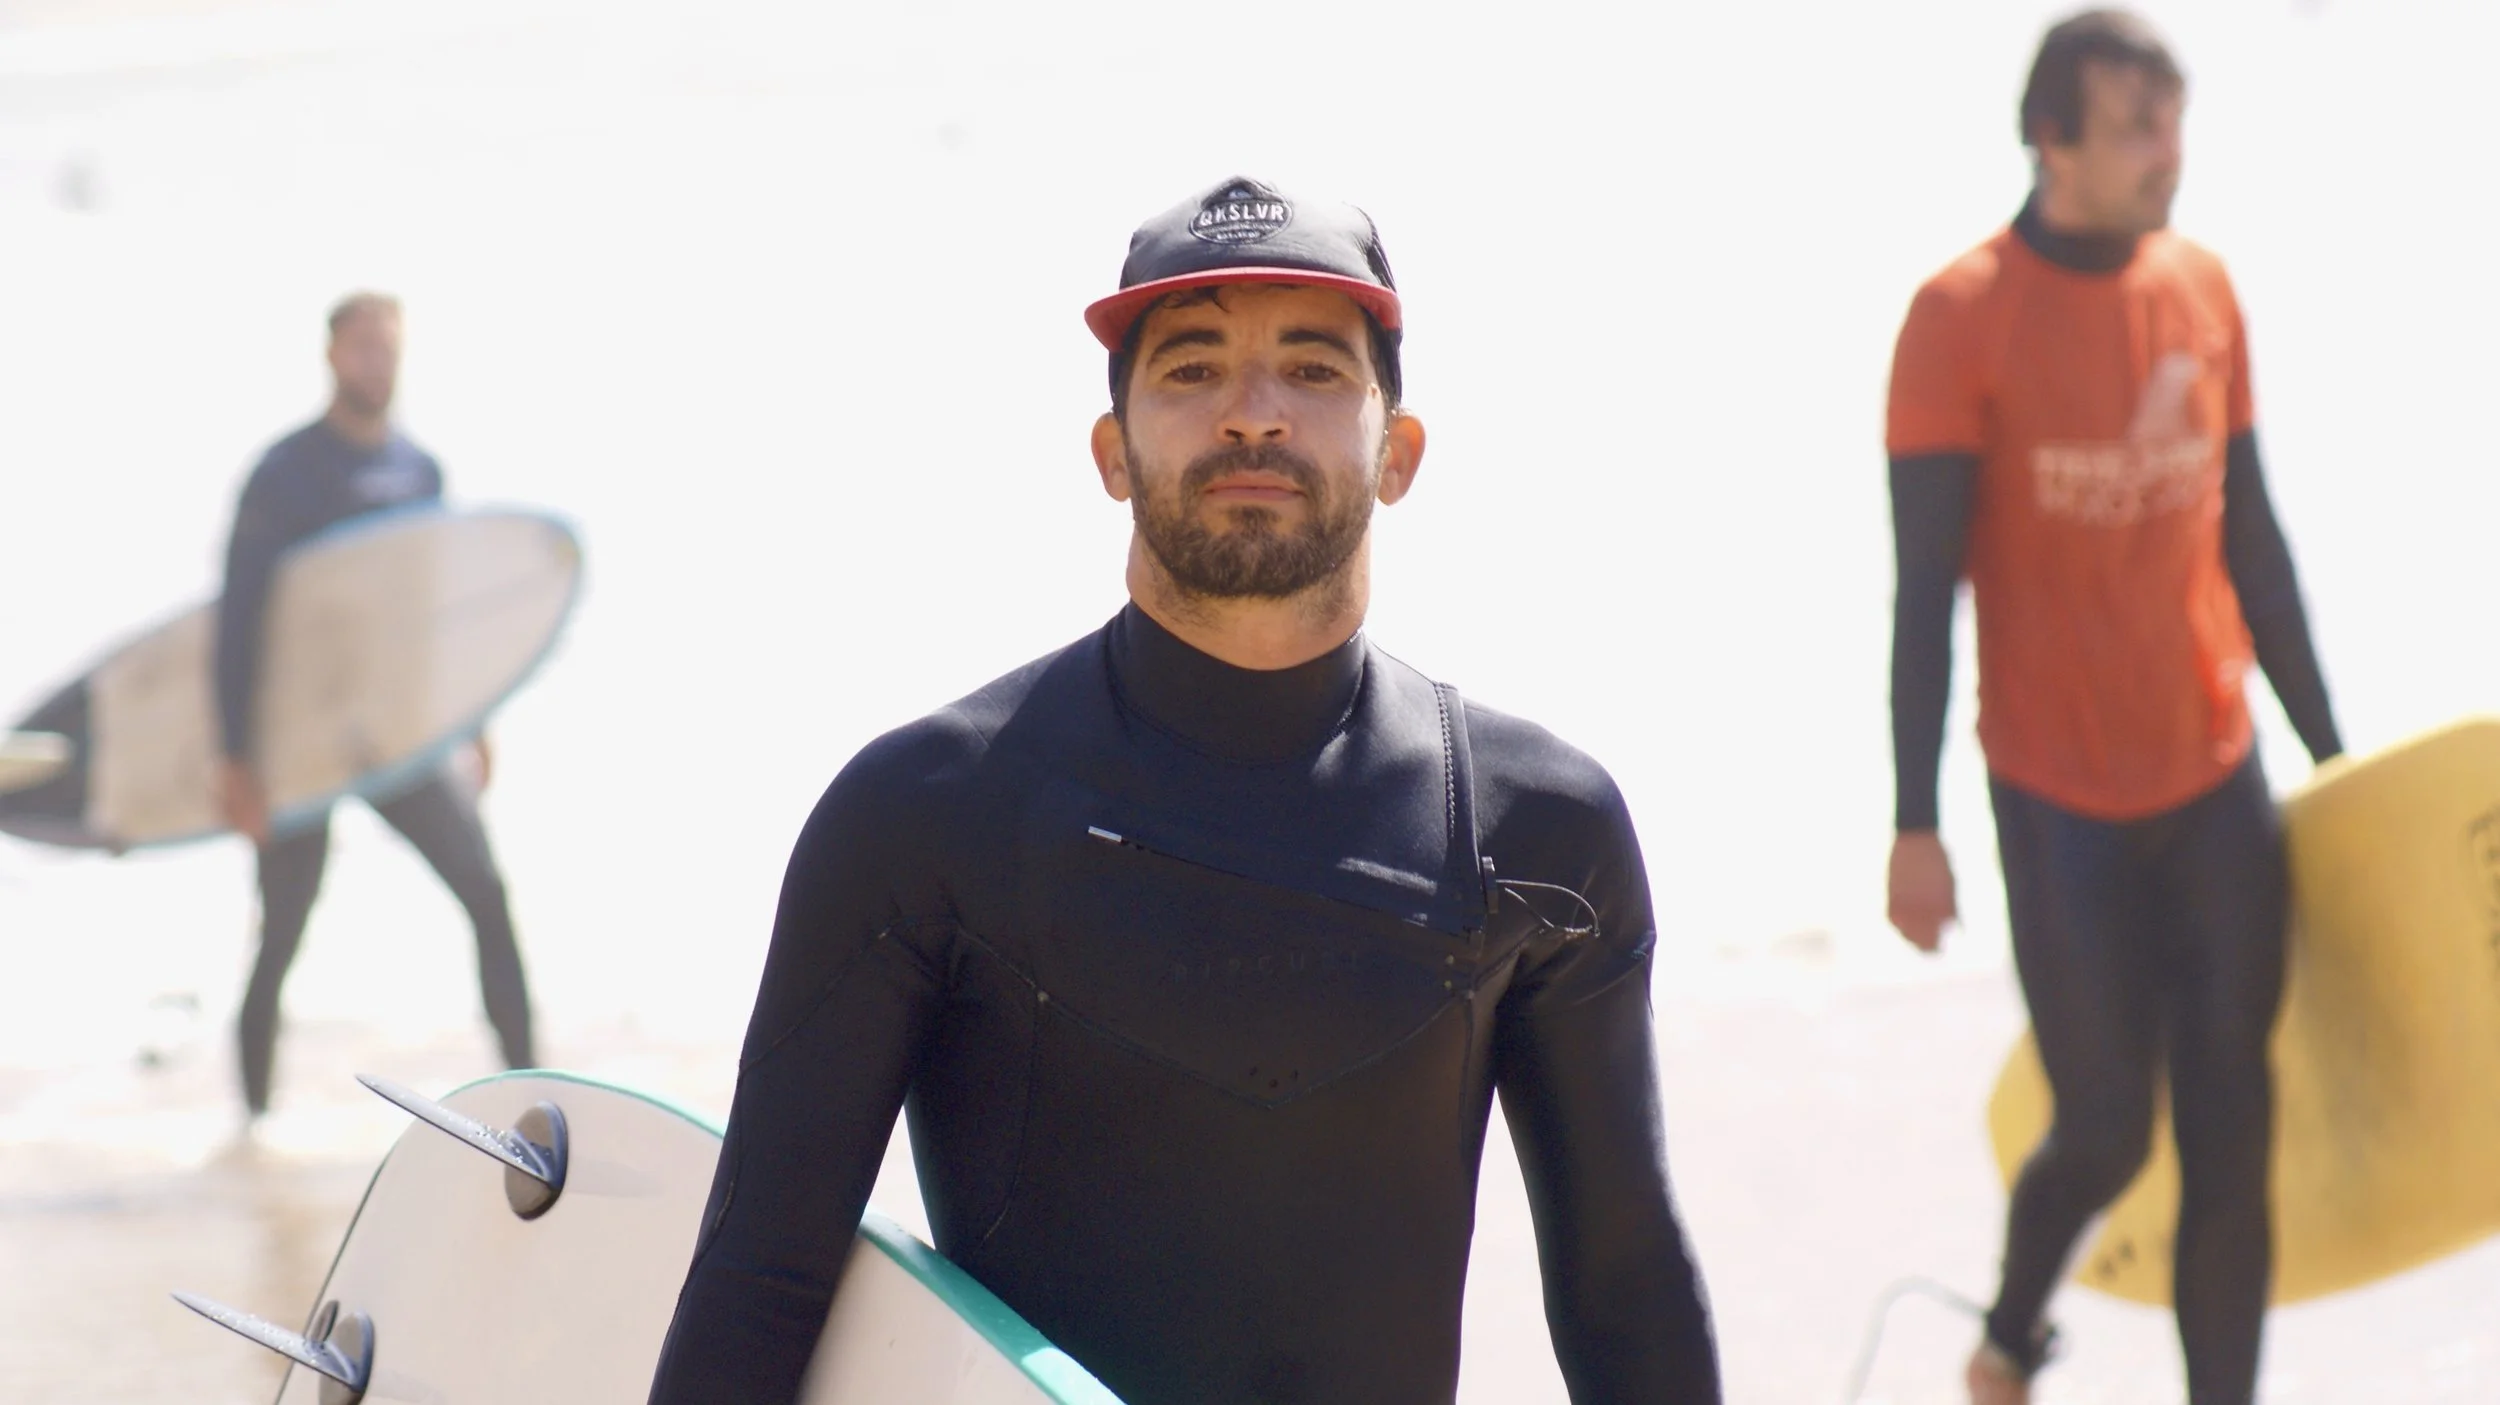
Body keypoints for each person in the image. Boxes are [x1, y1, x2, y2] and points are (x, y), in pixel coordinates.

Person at [646, 177, 1721, 1404]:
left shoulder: (1539, 829)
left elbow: (1627, 1290)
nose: (1252, 415)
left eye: (1312, 370)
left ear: (1399, 453)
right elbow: (761, 1281)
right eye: (1192, 369)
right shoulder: (922, 815)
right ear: (1112, 452)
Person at [1881, 12, 2344, 1405]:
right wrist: (1914, 824)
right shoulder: (1959, 318)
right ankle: (2010, 1337)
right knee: (2102, 1129)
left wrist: (2334, 762)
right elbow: (1924, 590)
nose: (2168, 153)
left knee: (2230, 1129)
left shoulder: (2202, 289)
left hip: (2212, 775)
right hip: (2057, 793)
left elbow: (2252, 539)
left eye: (2173, 120)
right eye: (2137, 126)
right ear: (2053, 141)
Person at [213, 292, 536, 1119]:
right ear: (331, 355)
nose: (376, 362)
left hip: (398, 739)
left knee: (486, 892)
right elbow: (239, 620)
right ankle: (255, 1125)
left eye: (387, 347)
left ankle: (536, 1096)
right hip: (301, 742)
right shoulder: (284, 474)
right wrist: (236, 758)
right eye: (362, 347)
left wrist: (473, 716)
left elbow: (437, 613)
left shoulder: (419, 471)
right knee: (282, 931)